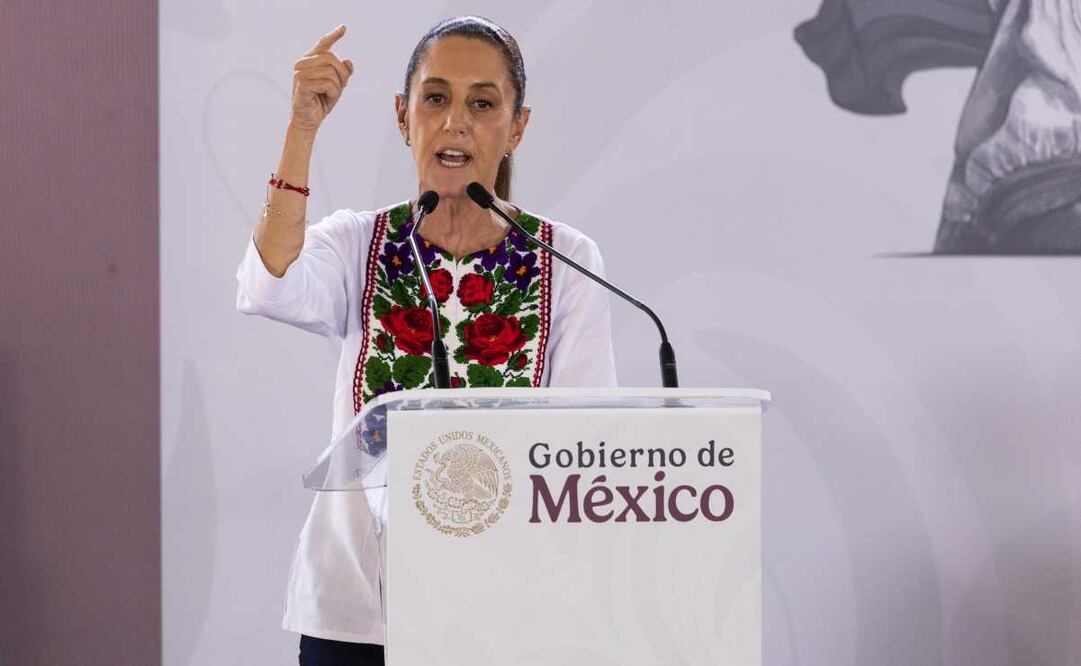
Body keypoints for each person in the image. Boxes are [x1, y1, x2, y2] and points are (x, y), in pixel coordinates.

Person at [235, 16, 617, 665]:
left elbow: (579, 449)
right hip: (357, 616)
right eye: (434, 98)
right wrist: (301, 127)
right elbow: (270, 284)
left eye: (482, 103)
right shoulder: (360, 243)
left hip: (506, 617)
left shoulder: (565, 260)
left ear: (517, 126)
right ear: (402, 115)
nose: (454, 122)